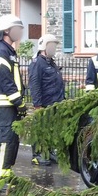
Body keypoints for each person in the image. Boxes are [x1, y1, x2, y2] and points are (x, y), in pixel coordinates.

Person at [0, 14, 26, 191]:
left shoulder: (8, 51)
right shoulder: (0, 51)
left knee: (11, 142)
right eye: (17, 29)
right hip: (3, 106)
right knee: (3, 142)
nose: (20, 33)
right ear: (6, 31)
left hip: (8, 105)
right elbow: (5, 80)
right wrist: (18, 102)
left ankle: (5, 178)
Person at [28, 34, 65, 166]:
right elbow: (34, 84)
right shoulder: (37, 63)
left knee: (51, 130)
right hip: (44, 104)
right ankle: (37, 155)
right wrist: (37, 105)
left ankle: (49, 153)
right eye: (51, 46)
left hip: (55, 102)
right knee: (40, 129)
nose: (54, 48)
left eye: (54, 46)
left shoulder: (51, 63)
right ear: (44, 46)